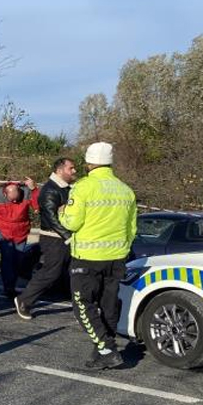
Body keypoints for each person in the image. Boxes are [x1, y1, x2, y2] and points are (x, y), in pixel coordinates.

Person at [61, 142, 136, 370]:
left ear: (89, 163)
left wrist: (62, 213)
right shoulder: (126, 190)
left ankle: (106, 347)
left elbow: (72, 222)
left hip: (88, 256)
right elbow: (132, 228)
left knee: (82, 305)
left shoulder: (83, 187)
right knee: (109, 305)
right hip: (117, 257)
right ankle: (102, 350)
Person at [15, 157, 78, 319]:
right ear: (59, 170)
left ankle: (83, 305)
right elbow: (51, 217)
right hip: (54, 238)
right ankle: (24, 300)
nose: (74, 171)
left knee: (75, 271)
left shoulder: (66, 188)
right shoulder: (51, 190)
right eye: (71, 168)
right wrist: (67, 236)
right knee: (51, 272)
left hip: (65, 237)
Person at [0, 181, 39, 297]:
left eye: (17, 199)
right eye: (12, 200)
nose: (15, 202)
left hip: (21, 232)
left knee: (19, 260)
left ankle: (12, 284)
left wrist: (34, 190)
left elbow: (37, 207)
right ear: (5, 194)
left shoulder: (26, 193)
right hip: (3, 232)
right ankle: (9, 287)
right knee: (8, 260)